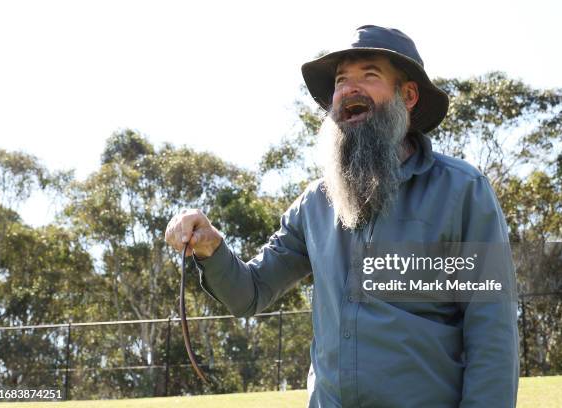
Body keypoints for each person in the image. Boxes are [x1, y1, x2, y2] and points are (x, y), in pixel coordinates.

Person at [165, 25, 519, 408]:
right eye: (340, 80)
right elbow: (250, 293)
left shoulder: (462, 191)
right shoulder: (314, 205)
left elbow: (492, 331)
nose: (349, 89)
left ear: (409, 95)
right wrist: (212, 248)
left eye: (369, 75)